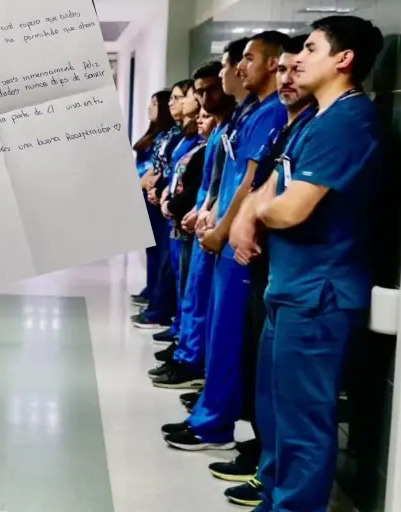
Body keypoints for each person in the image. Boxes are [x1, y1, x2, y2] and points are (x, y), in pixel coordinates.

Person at [233, 16, 384, 512]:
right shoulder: (316, 119)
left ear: (344, 60)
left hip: (319, 294)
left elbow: (291, 208)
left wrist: (256, 213)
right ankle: (274, 498)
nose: (297, 60)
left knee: (303, 418)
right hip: (290, 287)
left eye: (312, 49)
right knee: (277, 409)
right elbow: (272, 188)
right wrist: (253, 209)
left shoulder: (348, 122)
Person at [161, 31, 289, 451]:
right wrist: (210, 214)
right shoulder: (248, 113)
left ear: (270, 62)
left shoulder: (273, 113)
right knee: (218, 331)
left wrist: (222, 228)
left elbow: (251, 181)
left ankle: (216, 420)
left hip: (237, 243)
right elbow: (226, 178)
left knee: (230, 336)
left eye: (245, 60)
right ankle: (210, 413)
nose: (234, 70)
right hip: (221, 232)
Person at [215, 34, 317, 507]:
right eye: (284, 69)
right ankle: (268, 472)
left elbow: (285, 204)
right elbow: (263, 183)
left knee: (300, 406)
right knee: (270, 384)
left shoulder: (337, 124)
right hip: (279, 275)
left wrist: (248, 216)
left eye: (302, 62)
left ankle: (283, 490)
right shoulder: (289, 125)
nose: (288, 77)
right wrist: (240, 216)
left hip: (307, 282)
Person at [149, 59, 237, 389]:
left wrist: (207, 212)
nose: (201, 100)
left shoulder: (233, 127)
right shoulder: (212, 133)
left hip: (216, 228)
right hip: (198, 222)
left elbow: (238, 182)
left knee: (204, 301)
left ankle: (194, 362)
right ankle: (187, 352)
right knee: (191, 292)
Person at [131, 81, 190, 331]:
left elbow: (170, 170)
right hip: (157, 195)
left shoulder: (182, 136)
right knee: (158, 252)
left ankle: (163, 310)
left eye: (178, 98)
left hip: (172, 201)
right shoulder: (169, 135)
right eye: (171, 99)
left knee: (170, 259)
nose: (172, 103)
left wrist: (158, 186)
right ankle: (156, 298)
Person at [130, 91, 176, 309]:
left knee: (159, 246)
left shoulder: (167, 137)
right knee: (150, 245)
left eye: (155, 103)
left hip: (154, 194)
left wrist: (143, 183)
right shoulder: (155, 136)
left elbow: (156, 168)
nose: (149, 108)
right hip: (144, 192)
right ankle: (151, 288)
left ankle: (157, 294)